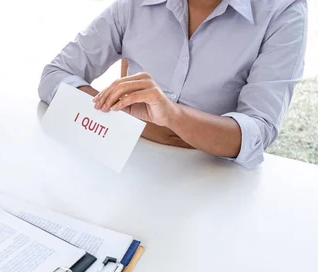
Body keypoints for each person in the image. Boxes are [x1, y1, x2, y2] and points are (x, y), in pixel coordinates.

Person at [39, 0, 307, 168]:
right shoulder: (134, 5)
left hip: (212, 182)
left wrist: (173, 117)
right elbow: (56, 74)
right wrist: (117, 114)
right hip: (126, 164)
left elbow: (258, 133)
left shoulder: (284, 10)